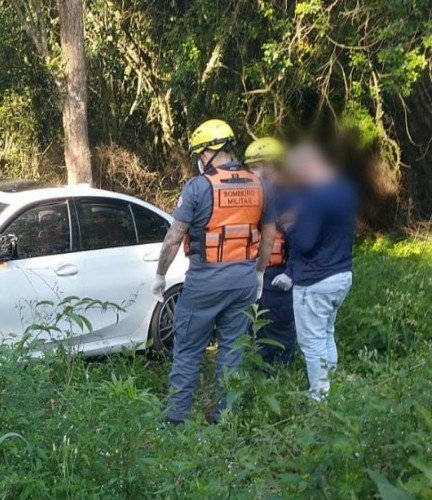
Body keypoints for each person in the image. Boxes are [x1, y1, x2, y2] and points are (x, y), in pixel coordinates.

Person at [152, 119, 277, 424]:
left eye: (199, 153)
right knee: (232, 351)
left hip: (205, 282)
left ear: (210, 151)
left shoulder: (198, 187)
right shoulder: (260, 186)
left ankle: (175, 418)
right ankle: (226, 418)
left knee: (188, 348)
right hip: (244, 281)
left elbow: (174, 237)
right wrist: (259, 272)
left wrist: (160, 275)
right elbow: (270, 236)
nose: (198, 160)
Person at [282, 144, 357, 401]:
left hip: (315, 280)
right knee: (326, 333)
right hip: (341, 274)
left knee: (312, 343)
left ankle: (320, 400)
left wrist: (289, 226)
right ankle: (332, 388)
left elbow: (305, 242)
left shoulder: (315, 197)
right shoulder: (342, 191)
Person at [244, 137, 297, 367]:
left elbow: (299, 239)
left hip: (278, 274)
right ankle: (260, 375)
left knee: (278, 329)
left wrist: (292, 273)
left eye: (255, 166)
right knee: (255, 327)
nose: (251, 172)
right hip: (257, 272)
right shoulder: (259, 195)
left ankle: (277, 377)